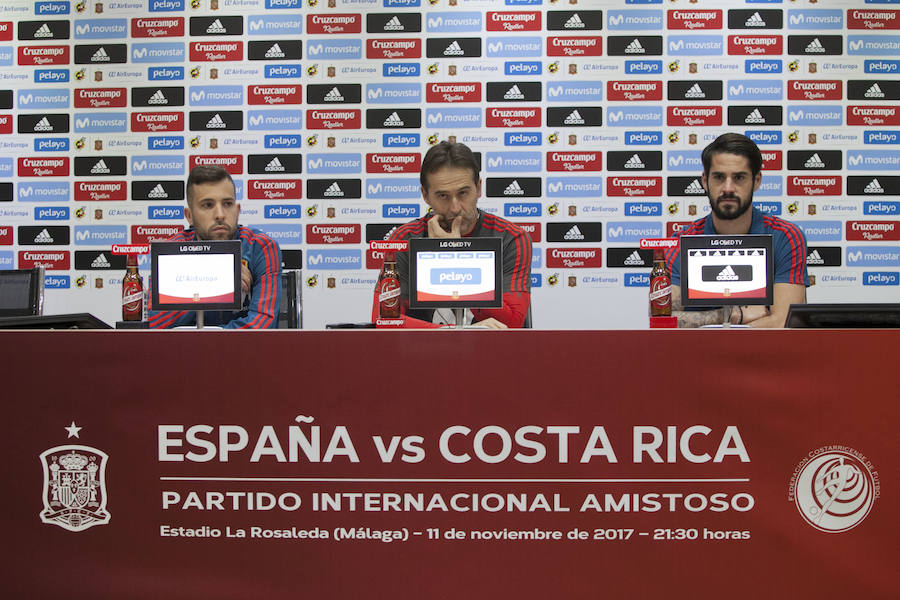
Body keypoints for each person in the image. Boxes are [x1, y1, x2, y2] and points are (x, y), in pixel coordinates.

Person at [372, 141, 532, 328]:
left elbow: (511, 324)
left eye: (463, 193)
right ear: (425, 195)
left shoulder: (510, 238)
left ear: (478, 188)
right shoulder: (405, 239)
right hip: (424, 353)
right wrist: (450, 334)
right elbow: (384, 319)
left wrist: (456, 258)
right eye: (443, 196)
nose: (455, 208)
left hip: (491, 354)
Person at [664, 133, 809, 328]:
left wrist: (704, 325)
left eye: (739, 177)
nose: (728, 188)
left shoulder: (785, 237)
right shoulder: (681, 241)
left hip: (764, 356)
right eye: (719, 177)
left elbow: (783, 322)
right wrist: (733, 315)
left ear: (756, 181)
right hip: (698, 356)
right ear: (705, 181)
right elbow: (663, 320)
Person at [148, 165, 282, 329]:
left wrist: (209, 342)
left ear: (237, 210)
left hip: (242, 353)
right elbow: (155, 324)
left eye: (227, 204)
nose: (220, 214)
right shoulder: (170, 252)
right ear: (189, 216)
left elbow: (264, 324)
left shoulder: (260, 247)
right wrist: (219, 279)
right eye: (208, 205)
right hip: (184, 354)